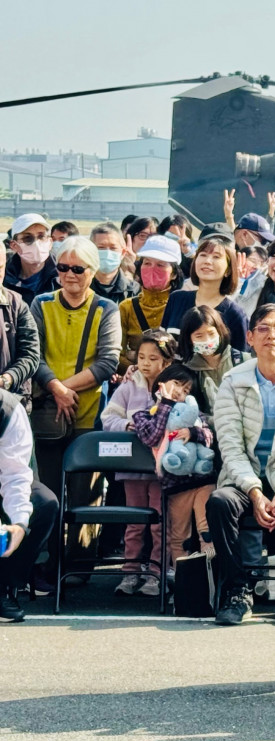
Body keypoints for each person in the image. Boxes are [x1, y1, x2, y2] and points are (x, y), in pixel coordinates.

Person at [207, 305, 275, 626]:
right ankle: (237, 590)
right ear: (250, 337)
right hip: (245, 481)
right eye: (264, 329)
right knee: (219, 502)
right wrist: (255, 492)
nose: (272, 335)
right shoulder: (232, 382)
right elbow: (230, 447)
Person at [30, 236, 122, 580]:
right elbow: (33, 356)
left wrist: (64, 388)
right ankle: (47, 565)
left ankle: (80, 566)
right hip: (48, 414)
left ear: (92, 271)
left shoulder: (105, 309)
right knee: (49, 492)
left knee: (86, 495)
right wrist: (55, 388)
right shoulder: (41, 304)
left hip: (88, 413)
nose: (70, 275)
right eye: (63, 267)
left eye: (78, 268)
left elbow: (108, 362)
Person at [100, 329, 177, 596]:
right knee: (134, 523)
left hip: (160, 470)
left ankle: (156, 573)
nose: (145, 363)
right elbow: (108, 418)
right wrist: (126, 424)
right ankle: (130, 572)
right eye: (142, 357)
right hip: (131, 469)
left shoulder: (173, 386)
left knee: (159, 522)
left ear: (167, 361)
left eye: (153, 358)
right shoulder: (128, 385)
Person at [133, 364, 218, 578]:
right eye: (178, 384)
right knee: (178, 536)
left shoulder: (195, 415)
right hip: (175, 485)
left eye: (187, 390)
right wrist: (167, 404)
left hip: (203, 480)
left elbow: (210, 437)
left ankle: (212, 578)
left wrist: (193, 432)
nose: (181, 391)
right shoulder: (144, 415)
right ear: (161, 383)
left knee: (206, 530)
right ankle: (183, 582)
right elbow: (152, 437)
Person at [0, 390, 58, 622]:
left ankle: (4, 587)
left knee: (44, 504)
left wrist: (20, 525)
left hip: (5, 477)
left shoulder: (9, 409)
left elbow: (15, 477)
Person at [161, 236, 249, 352]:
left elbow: (239, 362)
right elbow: (161, 343)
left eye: (216, 257)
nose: (207, 261)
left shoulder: (235, 315)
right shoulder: (176, 299)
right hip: (170, 370)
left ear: (228, 270)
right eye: (203, 255)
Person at [118, 235, 183, 373]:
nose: (152, 269)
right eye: (147, 263)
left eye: (160, 265)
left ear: (174, 274)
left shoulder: (181, 305)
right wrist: (138, 369)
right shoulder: (127, 307)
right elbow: (116, 354)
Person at [177, 306, 244, 419]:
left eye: (211, 333)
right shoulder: (189, 371)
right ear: (189, 339)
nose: (207, 340)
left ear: (220, 332)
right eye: (199, 336)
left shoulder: (242, 361)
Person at [0, 245, 41, 408]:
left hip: (8, 404)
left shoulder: (16, 304)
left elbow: (30, 355)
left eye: (0, 267)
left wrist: (6, 379)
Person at [4, 213, 60, 305]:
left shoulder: (63, 275)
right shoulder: (4, 279)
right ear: (14, 245)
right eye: (27, 238)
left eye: (41, 236)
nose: (36, 243)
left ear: (50, 242)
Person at [89, 223, 140, 304]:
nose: (108, 253)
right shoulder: (81, 287)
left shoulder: (134, 290)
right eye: (101, 247)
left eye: (113, 248)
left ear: (123, 253)